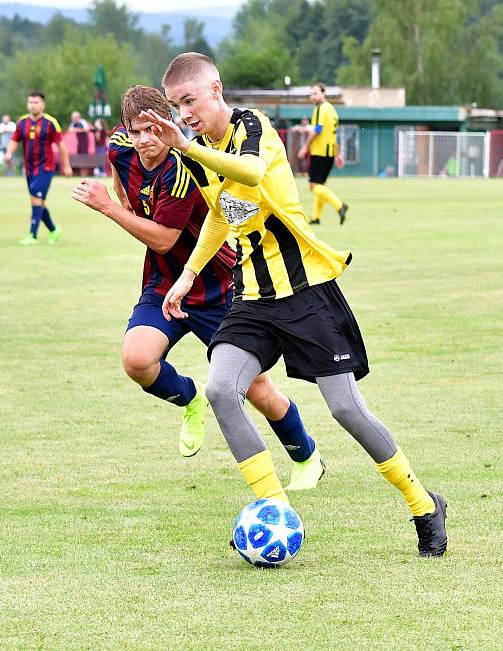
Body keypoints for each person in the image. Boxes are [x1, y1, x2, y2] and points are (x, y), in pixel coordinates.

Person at [144, 52, 448, 557]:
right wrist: (188, 275)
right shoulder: (198, 149)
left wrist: (188, 150)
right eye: (177, 106)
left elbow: (251, 171)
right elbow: (223, 213)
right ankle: (276, 511)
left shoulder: (251, 126)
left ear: (215, 90)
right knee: (221, 389)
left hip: (306, 293)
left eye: (189, 101)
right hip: (253, 299)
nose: (184, 114)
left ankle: (424, 504)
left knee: (347, 410)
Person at [71, 85, 323, 489]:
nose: (144, 140)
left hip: (214, 285)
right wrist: (121, 197)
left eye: (152, 129)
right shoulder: (120, 147)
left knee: (258, 391)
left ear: (166, 123)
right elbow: (121, 180)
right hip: (163, 282)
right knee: (137, 360)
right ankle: (190, 397)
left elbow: (164, 239)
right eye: (136, 131)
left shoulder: (183, 169)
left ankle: (306, 455)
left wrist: (109, 207)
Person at [5, 91, 72, 245]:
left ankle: (32, 235)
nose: (32, 105)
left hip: (45, 168)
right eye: (30, 102)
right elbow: (14, 140)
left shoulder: (50, 123)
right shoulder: (22, 122)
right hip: (29, 169)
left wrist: (66, 165)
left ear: (42, 104)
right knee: (38, 201)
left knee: (36, 199)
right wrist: (9, 152)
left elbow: (61, 146)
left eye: (36, 102)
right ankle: (54, 230)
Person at [297, 83, 349, 225]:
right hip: (330, 154)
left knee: (314, 186)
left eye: (315, 93)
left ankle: (340, 206)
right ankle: (316, 217)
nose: (312, 97)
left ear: (323, 93)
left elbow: (318, 130)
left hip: (319, 153)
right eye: (311, 94)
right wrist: (337, 154)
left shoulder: (321, 109)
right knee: (321, 185)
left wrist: (305, 147)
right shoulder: (332, 110)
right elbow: (335, 134)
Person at [69, 111, 93, 176]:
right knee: (79, 158)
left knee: (84, 158)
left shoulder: (83, 122)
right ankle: (81, 173)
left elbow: (87, 129)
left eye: (73, 117)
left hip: (84, 143)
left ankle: (84, 173)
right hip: (79, 144)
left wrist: (77, 130)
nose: (72, 119)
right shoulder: (74, 123)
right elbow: (70, 129)